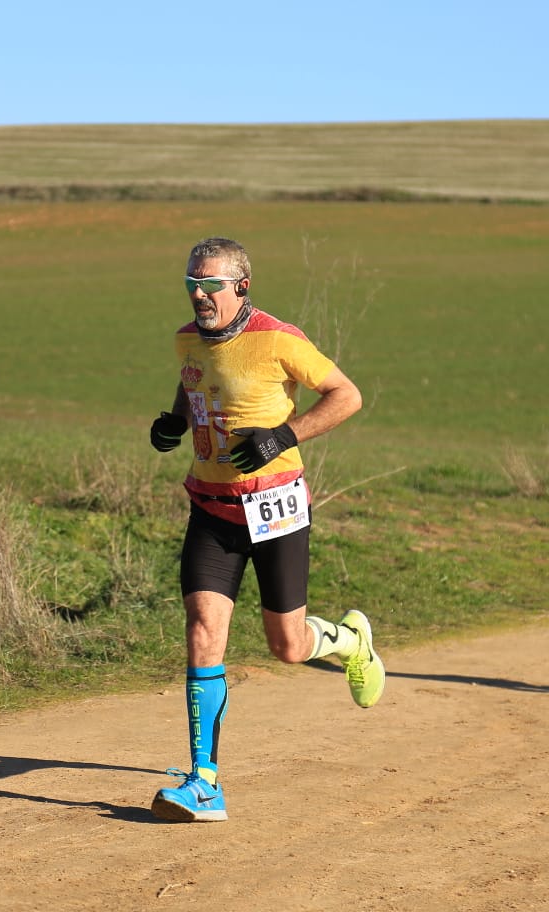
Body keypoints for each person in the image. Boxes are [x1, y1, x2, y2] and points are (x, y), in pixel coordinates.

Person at [146, 236, 384, 823]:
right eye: (192, 285)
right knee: (203, 627)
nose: (200, 295)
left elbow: (347, 395)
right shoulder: (186, 339)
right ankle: (204, 782)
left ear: (242, 287)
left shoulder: (279, 339)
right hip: (210, 508)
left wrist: (285, 435)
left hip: (273, 507)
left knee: (288, 647)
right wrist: (177, 417)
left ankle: (351, 641)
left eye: (211, 286)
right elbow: (195, 373)